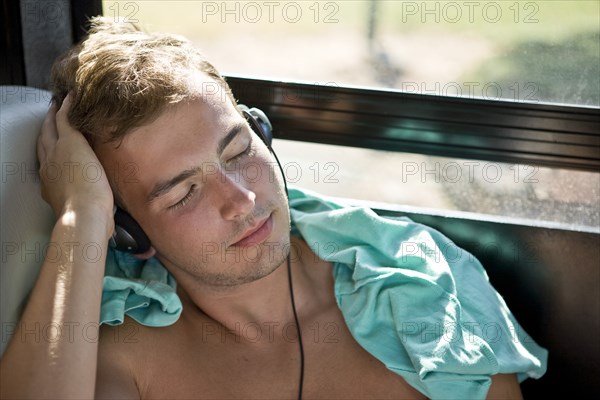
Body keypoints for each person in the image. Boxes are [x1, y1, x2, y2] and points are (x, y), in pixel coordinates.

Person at [0, 17, 540, 399]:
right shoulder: (128, 358)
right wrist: (83, 215)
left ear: (262, 130)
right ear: (130, 234)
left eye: (238, 150)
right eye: (183, 193)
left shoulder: (422, 290)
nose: (243, 199)